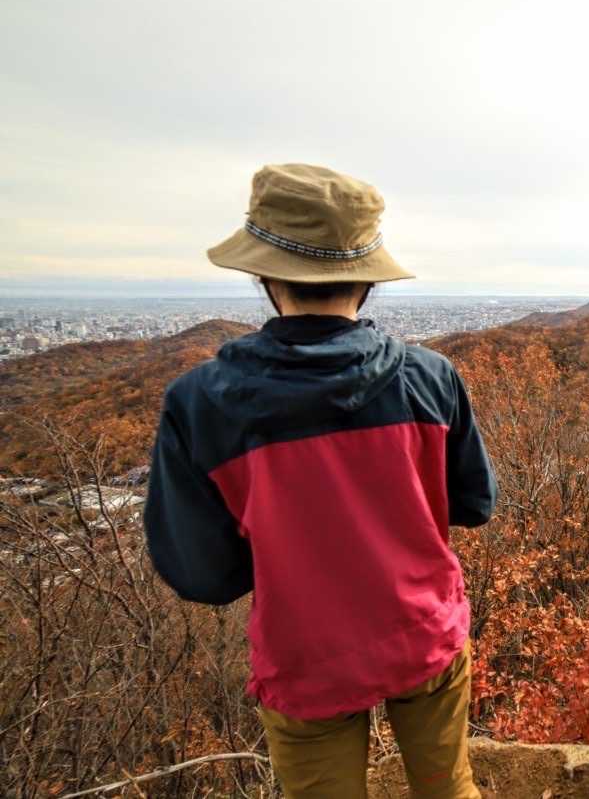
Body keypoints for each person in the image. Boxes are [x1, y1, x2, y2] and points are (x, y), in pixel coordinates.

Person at [143, 163, 497, 798]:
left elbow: (204, 575)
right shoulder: (429, 378)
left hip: (306, 655)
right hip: (424, 631)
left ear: (264, 276)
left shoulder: (202, 404)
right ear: (367, 279)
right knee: (448, 791)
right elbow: (476, 503)